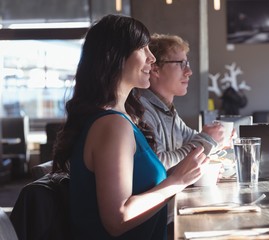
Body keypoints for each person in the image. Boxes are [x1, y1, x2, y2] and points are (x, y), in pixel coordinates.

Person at [51, 15, 208, 240]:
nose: (152, 58)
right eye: (143, 48)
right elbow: (118, 219)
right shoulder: (111, 125)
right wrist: (177, 181)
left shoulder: (123, 119)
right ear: (113, 57)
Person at [137, 33, 226, 170]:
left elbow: (194, 139)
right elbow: (157, 164)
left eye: (187, 64)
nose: (189, 71)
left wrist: (219, 139)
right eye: (181, 64)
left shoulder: (167, 110)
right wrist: (207, 141)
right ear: (155, 69)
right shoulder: (142, 110)